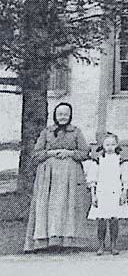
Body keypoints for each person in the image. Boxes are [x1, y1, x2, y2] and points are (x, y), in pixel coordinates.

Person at [23, 101, 92, 252]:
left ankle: (68, 242)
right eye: (60, 114)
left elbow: (85, 152)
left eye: (66, 114)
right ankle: (45, 242)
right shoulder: (46, 132)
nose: (63, 117)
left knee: (68, 207)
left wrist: (70, 153)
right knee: (48, 207)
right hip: (49, 178)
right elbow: (35, 155)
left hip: (70, 177)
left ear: (70, 115)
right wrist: (50, 153)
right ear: (55, 115)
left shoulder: (76, 132)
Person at [83, 132, 128, 255]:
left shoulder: (121, 160)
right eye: (107, 144)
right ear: (102, 145)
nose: (110, 147)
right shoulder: (98, 160)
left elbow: (125, 177)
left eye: (113, 144)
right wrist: (93, 195)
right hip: (102, 192)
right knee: (101, 220)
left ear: (117, 145)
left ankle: (114, 244)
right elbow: (92, 178)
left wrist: (124, 192)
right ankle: (101, 245)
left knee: (114, 220)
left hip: (115, 191)